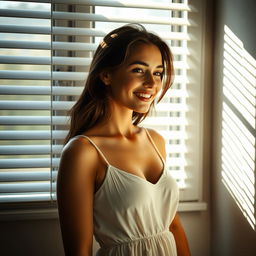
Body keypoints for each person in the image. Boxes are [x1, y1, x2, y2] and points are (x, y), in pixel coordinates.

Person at [57, 24, 191, 256]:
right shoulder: (83, 152)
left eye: (158, 72)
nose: (152, 83)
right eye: (139, 70)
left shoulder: (155, 141)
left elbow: (173, 225)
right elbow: (79, 251)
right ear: (106, 75)